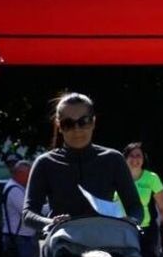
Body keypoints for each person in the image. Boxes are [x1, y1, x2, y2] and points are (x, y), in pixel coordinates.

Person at [23, 93, 142, 232]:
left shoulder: (113, 159)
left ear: (93, 122)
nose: (77, 129)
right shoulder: (45, 163)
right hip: (62, 241)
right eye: (68, 124)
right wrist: (52, 223)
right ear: (58, 125)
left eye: (83, 121)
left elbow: (135, 207)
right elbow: (28, 214)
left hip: (105, 240)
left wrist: (130, 222)